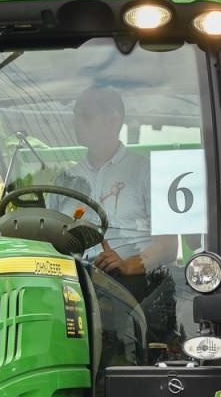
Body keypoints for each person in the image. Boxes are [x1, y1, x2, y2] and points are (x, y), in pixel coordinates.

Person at [55, 86, 174, 278]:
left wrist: (128, 266)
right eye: (75, 115)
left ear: (112, 121)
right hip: (73, 285)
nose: (76, 122)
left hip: (135, 291)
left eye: (84, 115)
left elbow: (168, 246)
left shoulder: (147, 173)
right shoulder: (64, 180)